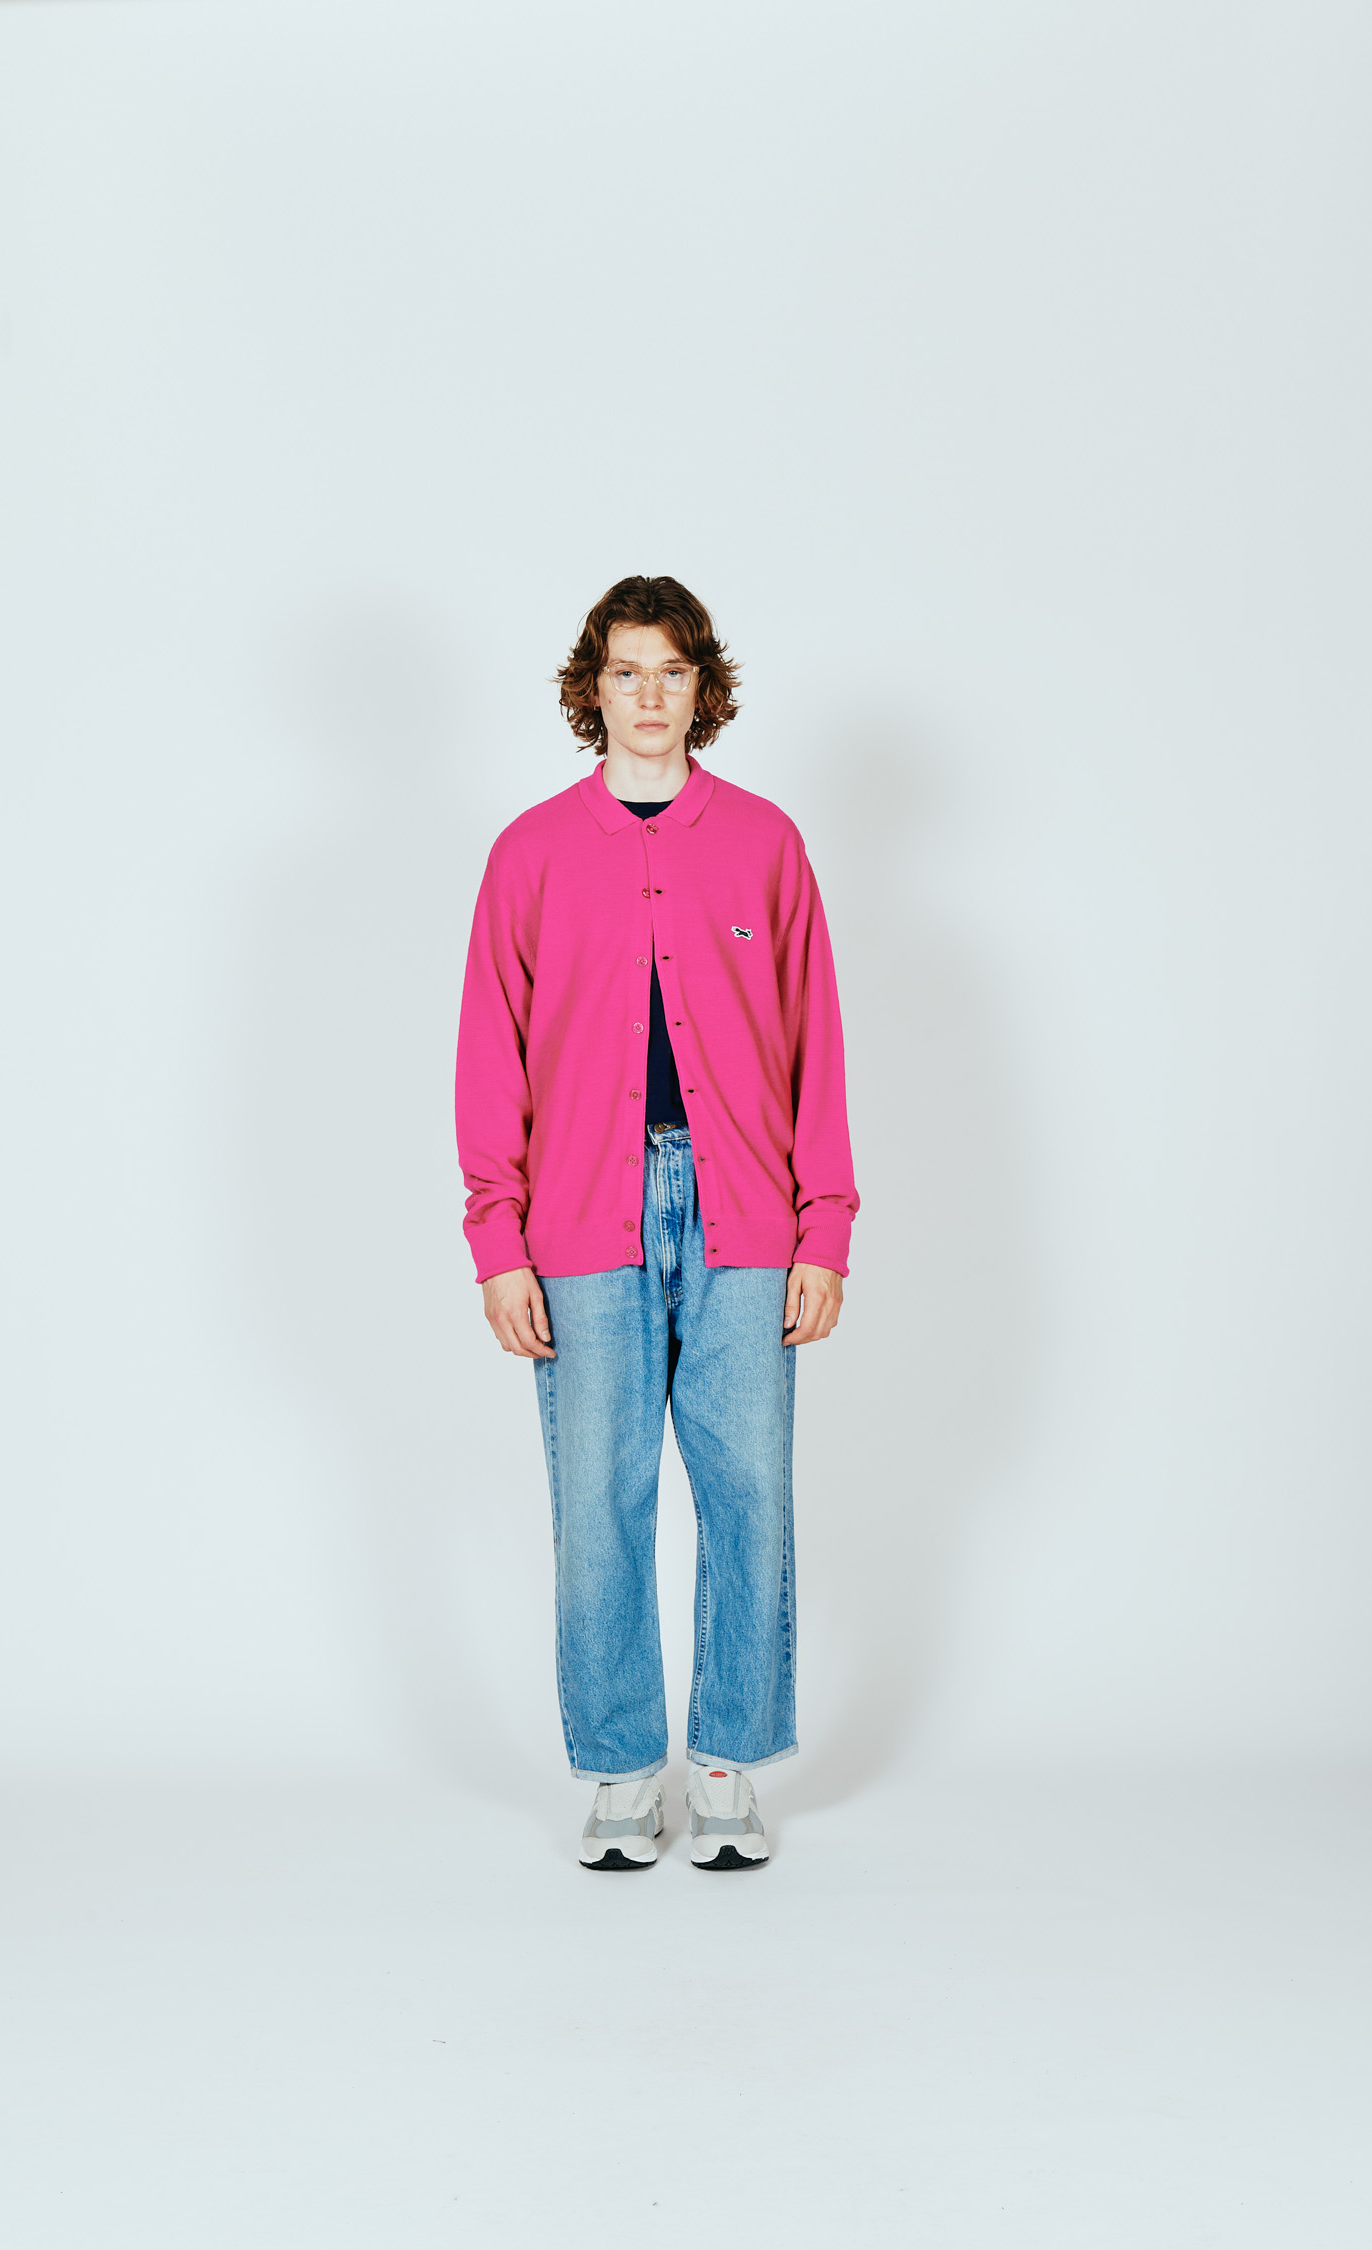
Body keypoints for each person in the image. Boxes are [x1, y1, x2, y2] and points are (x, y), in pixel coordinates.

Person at [453, 576, 858, 1872]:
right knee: (597, 1499)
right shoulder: (529, 852)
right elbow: (490, 1056)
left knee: (750, 1495)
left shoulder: (766, 843)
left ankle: (727, 1761)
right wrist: (499, 1243)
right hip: (582, 1213)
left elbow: (816, 1044)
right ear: (594, 687)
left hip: (745, 1213)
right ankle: (625, 1768)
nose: (647, 696)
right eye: (625, 672)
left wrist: (824, 1228)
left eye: (671, 672)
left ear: (701, 687)